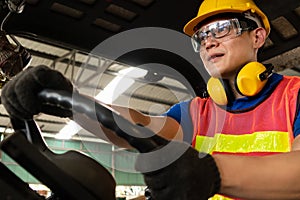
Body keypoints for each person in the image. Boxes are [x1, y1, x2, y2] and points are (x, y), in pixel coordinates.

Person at [1, 0, 300, 199]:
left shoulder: (294, 95)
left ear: (257, 37)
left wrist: (211, 173)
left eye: (221, 29)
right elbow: (139, 125)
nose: (208, 41)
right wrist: (71, 101)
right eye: (201, 37)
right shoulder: (197, 112)